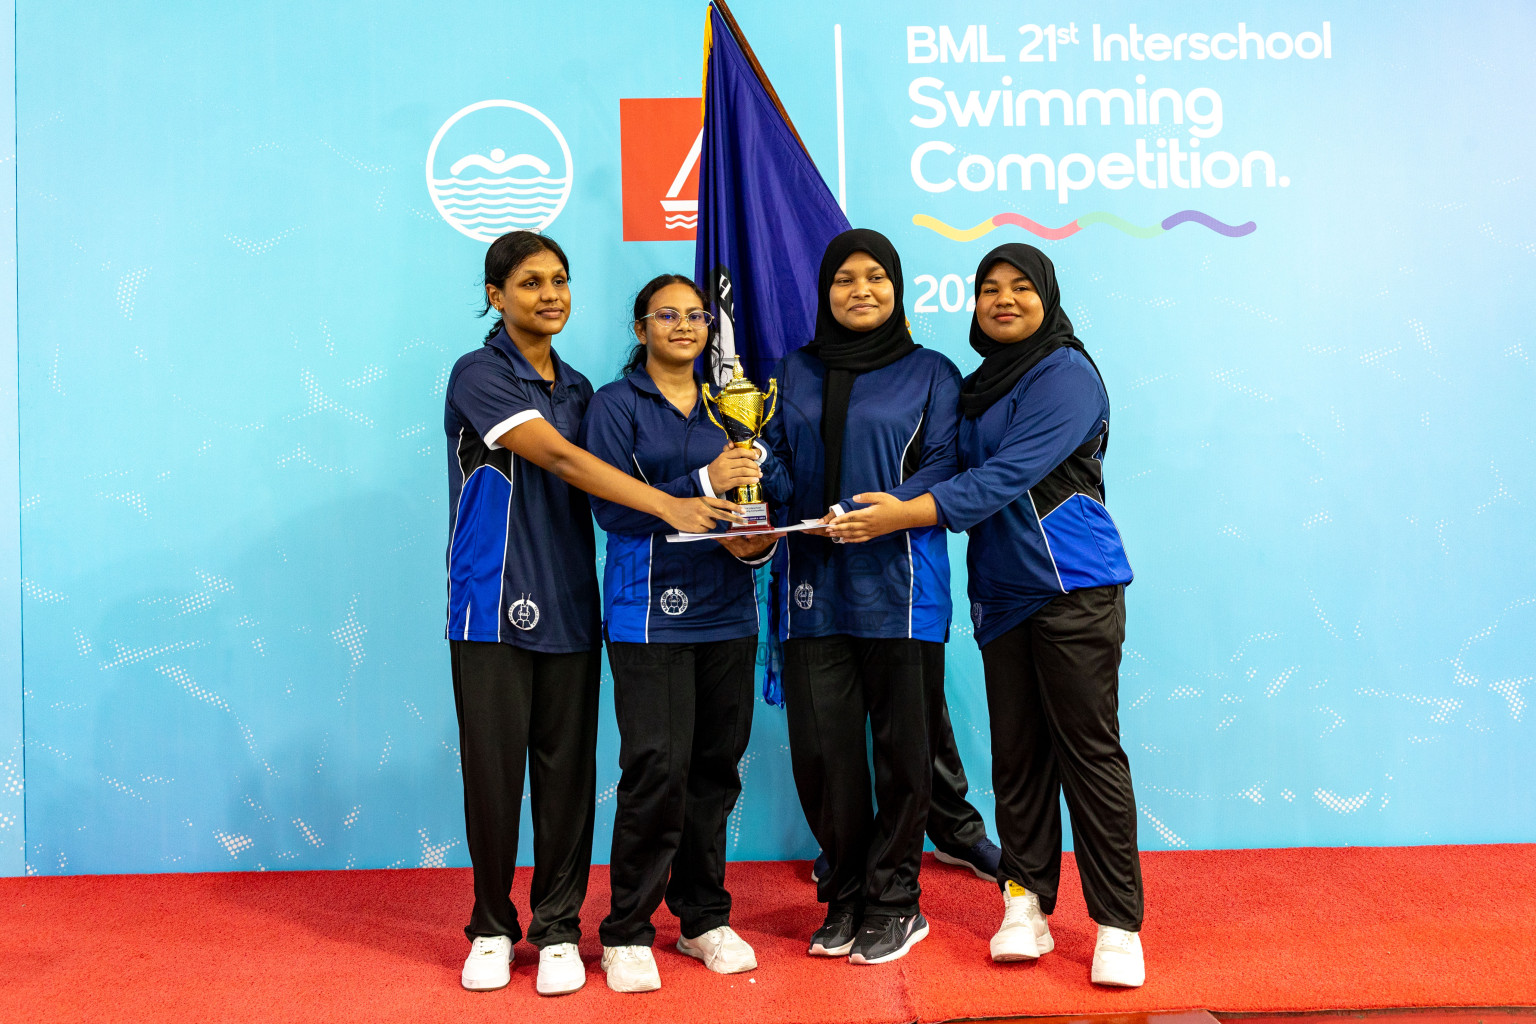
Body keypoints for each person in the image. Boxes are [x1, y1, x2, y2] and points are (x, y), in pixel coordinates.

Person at [826, 243, 1146, 987]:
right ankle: (1025, 903)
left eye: (1020, 288)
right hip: (1000, 594)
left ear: (1046, 296)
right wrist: (875, 502)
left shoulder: (1067, 375)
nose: (1004, 300)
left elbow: (1002, 477)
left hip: (1073, 586)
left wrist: (907, 513)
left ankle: (1118, 923)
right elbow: (949, 463)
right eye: (989, 290)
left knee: (1088, 756)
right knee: (1018, 759)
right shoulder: (976, 388)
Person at [443, 233, 740, 996]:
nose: (551, 294)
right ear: (496, 294)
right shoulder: (480, 374)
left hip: (574, 602)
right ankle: (488, 923)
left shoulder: (580, 389)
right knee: (494, 773)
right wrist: (674, 502)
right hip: (490, 605)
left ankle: (555, 928)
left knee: (567, 778)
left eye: (562, 280)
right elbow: (569, 463)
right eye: (531, 282)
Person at [762, 228, 961, 966]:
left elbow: (947, 461)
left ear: (897, 288)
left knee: (902, 755)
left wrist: (890, 508)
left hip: (903, 588)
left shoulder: (933, 373)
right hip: (812, 589)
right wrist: (755, 479)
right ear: (825, 292)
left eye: (876, 277)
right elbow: (780, 464)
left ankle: (896, 901)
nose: (861, 290)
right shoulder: (794, 370)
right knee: (823, 753)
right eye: (844, 278)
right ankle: (844, 894)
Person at [581, 274, 783, 993]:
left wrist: (756, 543)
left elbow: (758, 502)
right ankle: (627, 929)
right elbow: (615, 509)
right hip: (647, 615)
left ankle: (701, 917)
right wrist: (701, 480)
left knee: (714, 771)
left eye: (696, 315)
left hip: (729, 608)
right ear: (640, 330)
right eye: (666, 315)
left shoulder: (733, 406)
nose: (684, 325)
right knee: (656, 769)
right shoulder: (614, 405)